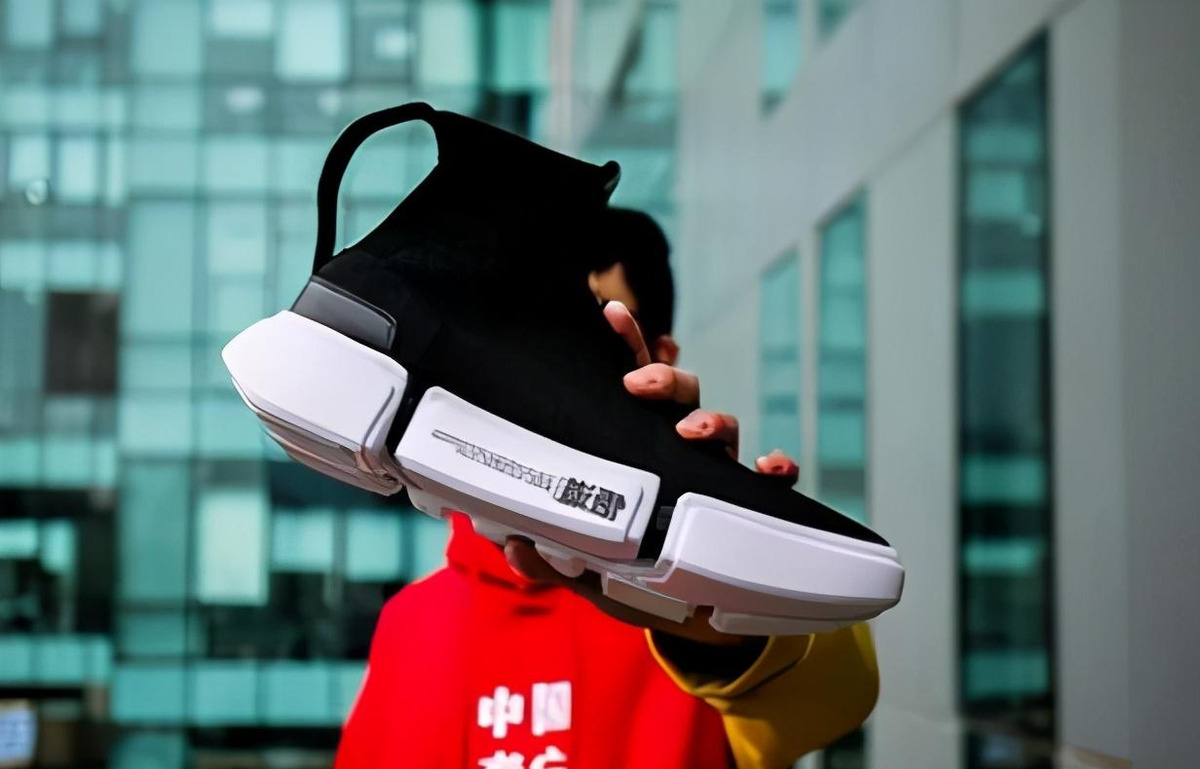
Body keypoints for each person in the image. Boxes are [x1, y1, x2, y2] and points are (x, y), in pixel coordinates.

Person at [335, 208, 879, 769]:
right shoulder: (408, 626)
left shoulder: (681, 599)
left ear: (659, 360)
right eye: (521, 327)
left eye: (592, 332)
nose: (546, 369)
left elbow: (837, 696)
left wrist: (730, 595)